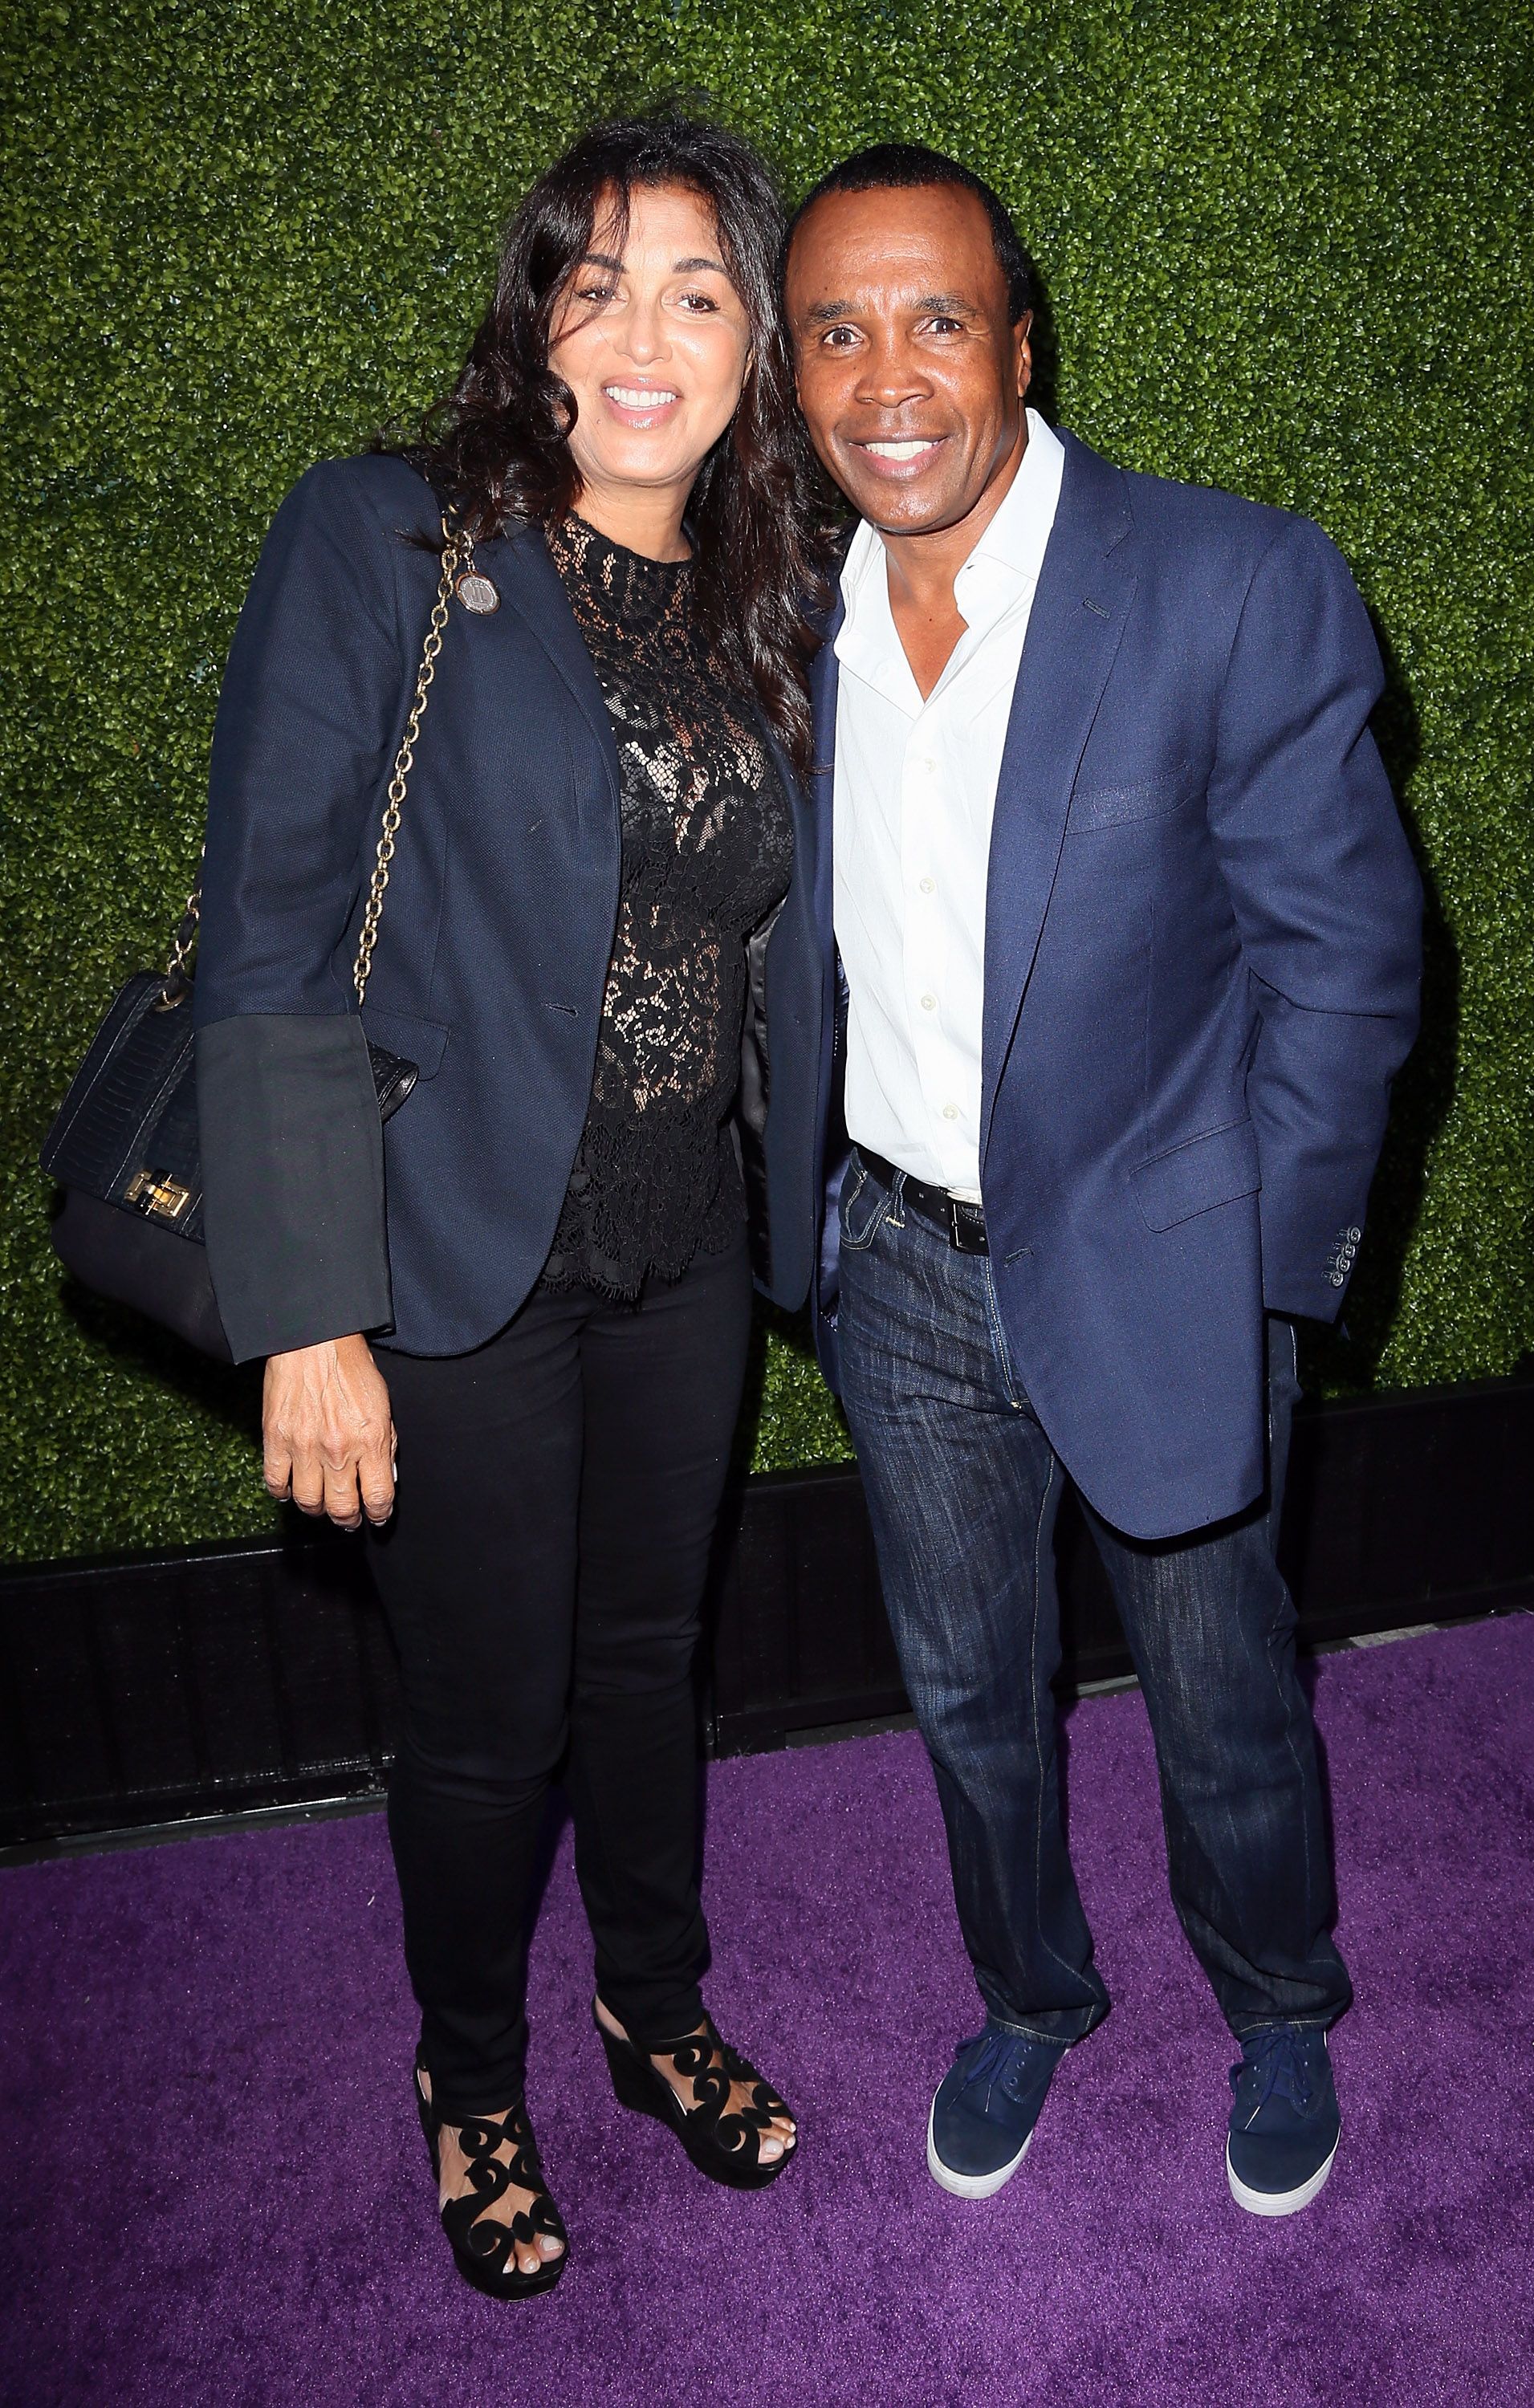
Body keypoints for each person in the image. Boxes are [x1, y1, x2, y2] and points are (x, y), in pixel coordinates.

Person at [193, 110, 825, 2300]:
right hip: (451, 1262)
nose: (641, 337)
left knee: (646, 1666)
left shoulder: (774, 604)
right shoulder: (388, 536)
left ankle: (649, 2007)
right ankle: (468, 2076)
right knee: (484, 1719)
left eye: (696, 290)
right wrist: (303, 1308)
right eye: (597, 279)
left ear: (755, 338)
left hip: (684, 1249)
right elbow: (272, 930)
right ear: (531, 302)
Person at [784, 144, 1423, 2215]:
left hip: (1166, 1259)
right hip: (892, 1261)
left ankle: (1280, 2004)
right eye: (839, 331)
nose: (893, 376)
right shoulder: (784, 617)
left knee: (1222, 1690)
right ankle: (1033, 1995)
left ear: (1020, 338)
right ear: (796, 376)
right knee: (970, 1694)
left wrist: (1265, 1274)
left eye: (938, 318)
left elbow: (1346, 966)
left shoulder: (1231, 582)